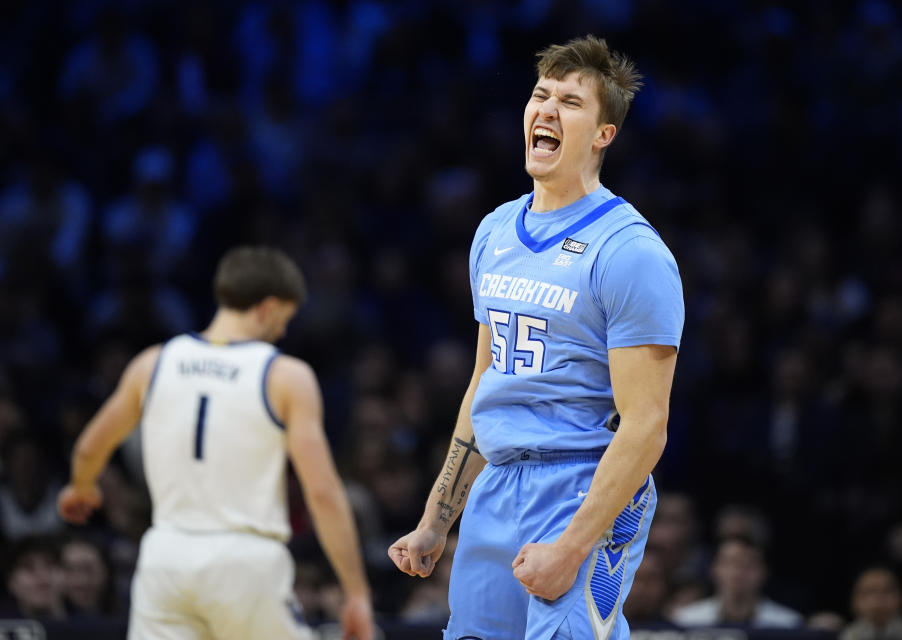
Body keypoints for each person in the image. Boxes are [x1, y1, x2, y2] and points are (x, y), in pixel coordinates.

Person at [389, 35, 684, 639]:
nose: (546, 110)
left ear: (604, 133)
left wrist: (573, 546)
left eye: (570, 103)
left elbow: (647, 425)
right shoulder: (495, 231)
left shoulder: (631, 252)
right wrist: (436, 518)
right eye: (539, 95)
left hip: (581, 482)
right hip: (499, 483)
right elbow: (483, 381)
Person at [57, 246, 375, 640]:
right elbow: (323, 492)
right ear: (267, 307)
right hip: (244, 560)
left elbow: (90, 447)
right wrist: (356, 592)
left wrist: (81, 487)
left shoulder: (153, 362)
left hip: (165, 558)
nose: (283, 332)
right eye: (285, 319)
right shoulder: (285, 375)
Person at [670, 535, 802, 629]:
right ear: (714, 569)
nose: (738, 572)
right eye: (730, 563)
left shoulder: (787, 624)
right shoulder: (687, 621)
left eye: (749, 565)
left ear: (764, 572)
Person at [840, 566, 902, 640]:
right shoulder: (847, 636)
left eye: (887, 591)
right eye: (869, 592)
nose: (878, 599)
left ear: (901, 597)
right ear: (855, 601)